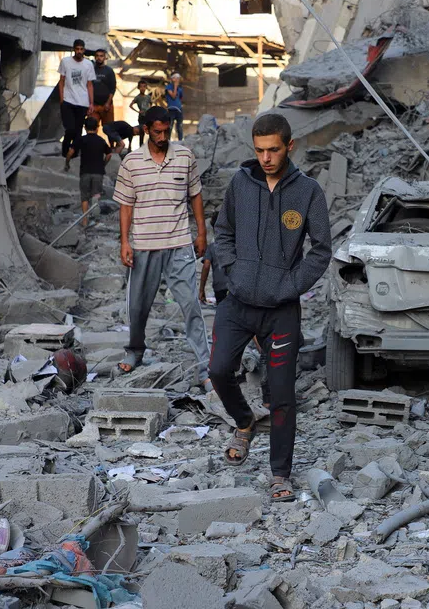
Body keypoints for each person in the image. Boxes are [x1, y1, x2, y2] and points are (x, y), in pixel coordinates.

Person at [208, 112, 331, 502]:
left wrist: (290, 286)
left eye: (273, 150)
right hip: (239, 301)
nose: (265, 158)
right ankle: (244, 422)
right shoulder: (241, 184)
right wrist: (232, 270)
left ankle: (280, 474)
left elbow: (321, 249)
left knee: (281, 395)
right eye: (259, 150)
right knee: (218, 370)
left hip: (281, 310)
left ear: (289, 146)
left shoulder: (308, 191)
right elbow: (223, 231)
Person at [114, 106, 211, 388]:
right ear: (146, 130)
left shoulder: (184, 156)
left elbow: (195, 195)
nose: (162, 136)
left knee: (191, 304)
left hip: (179, 243)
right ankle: (135, 352)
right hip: (144, 245)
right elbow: (125, 205)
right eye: (156, 131)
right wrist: (125, 242)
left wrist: (201, 233)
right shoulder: (131, 163)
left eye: (166, 130)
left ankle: (205, 368)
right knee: (137, 307)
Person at [65, 116, 113, 228]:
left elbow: (70, 153)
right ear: (97, 128)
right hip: (98, 173)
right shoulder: (101, 140)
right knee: (95, 196)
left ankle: (85, 220)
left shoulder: (81, 140)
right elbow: (109, 154)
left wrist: (67, 163)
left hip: (85, 172)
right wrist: (103, 164)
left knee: (85, 197)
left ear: (85, 128)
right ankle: (95, 220)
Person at [58, 39, 94, 157]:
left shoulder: (88, 64)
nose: (79, 51)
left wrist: (91, 103)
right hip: (68, 101)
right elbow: (61, 81)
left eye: (81, 49)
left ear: (84, 50)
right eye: (77, 49)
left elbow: (89, 84)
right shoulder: (65, 62)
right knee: (70, 129)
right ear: (74, 49)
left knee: (78, 130)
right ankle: (64, 153)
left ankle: (75, 154)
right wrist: (62, 99)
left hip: (82, 102)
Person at [199, 212, 229, 305]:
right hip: (234, 285)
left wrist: (201, 290)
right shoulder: (235, 245)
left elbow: (206, 265)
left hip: (219, 287)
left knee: (223, 314)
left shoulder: (212, 247)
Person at [90, 48, 117, 125]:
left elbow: (113, 88)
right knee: (92, 128)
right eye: (97, 56)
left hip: (106, 106)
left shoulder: (109, 71)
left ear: (105, 57)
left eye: (101, 56)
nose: (99, 58)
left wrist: (108, 103)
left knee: (109, 129)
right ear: (95, 57)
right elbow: (87, 86)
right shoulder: (91, 70)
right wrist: (90, 104)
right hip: (94, 106)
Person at [129, 79, 154, 147]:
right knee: (142, 131)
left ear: (146, 88)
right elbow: (130, 105)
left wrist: (150, 110)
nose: (143, 88)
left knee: (150, 130)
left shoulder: (148, 97)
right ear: (138, 88)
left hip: (147, 116)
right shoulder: (137, 97)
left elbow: (151, 103)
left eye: (144, 86)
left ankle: (151, 145)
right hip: (141, 116)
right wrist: (138, 111)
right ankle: (141, 145)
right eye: (141, 87)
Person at [164, 72, 184, 141]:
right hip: (171, 110)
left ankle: (180, 141)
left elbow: (180, 98)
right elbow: (173, 96)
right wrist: (175, 86)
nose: (178, 79)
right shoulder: (168, 87)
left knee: (180, 127)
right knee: (170, 126)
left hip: (179, 110)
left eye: (178, 77)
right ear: (172, 79)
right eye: (176, 77)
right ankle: (168, 141)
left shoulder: (180, 88)